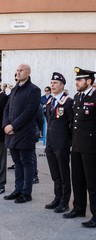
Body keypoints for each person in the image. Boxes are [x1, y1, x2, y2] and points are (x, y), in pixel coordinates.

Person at [63, 67, 96, 228]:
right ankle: (79, 208)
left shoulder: (95, 96)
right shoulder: (77, 97)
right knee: (77, 179)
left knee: (92, 182)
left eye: (79, 79)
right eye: (76, 79)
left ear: (89, 81)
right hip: (76, 145)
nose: (76, 82)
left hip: (91, 147)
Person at [3, 64, 41, 203]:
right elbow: (7, 109)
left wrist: (13, 125)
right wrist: (6, 125)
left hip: (25, 133)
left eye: (21, 70)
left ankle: (26, 193)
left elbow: (29, 112)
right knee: (17, 163)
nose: (18, 72)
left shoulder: (34, 90)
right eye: (17, 70)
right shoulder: (15, 89)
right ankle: (18, 190)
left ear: (28, 72)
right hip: (11, 133)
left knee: (27, 163)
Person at [44, 72, 73, 213]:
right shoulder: (50, 101)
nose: (53, 85)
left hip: (62, 144)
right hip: (50, 143)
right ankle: (57, 197)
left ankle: (64, 201)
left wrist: (69, 142)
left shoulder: (68, 102)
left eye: (56, 83)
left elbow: (72, 124)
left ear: (62, 85)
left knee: (63, 174)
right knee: (55, 174)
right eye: (51, 83)